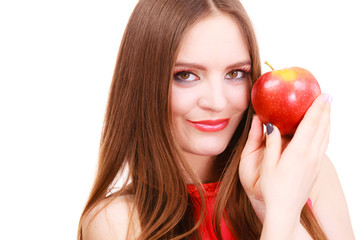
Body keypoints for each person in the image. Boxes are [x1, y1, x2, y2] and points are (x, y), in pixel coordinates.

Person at [78, 0, 355, 239]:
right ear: (144, 84)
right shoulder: (116, 222)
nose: (217, 102)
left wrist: (267, 203)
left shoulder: (306, 174)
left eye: (235, 73)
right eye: (186, 75)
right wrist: (282, 214)